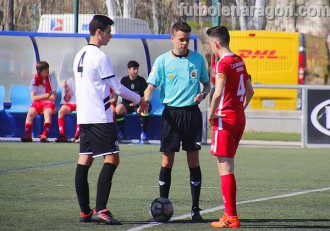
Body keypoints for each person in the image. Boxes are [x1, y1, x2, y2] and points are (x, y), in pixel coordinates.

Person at [73, 15, 147, 225]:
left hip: (85, 116)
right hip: (99, 116)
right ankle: (101, 210)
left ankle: (85, 212)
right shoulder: (99, 56)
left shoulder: (79, 54)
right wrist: (139, 99)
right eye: (108, 31)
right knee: (112, 158)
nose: (110, 35)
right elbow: (118, 87)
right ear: (99, 32)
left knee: (85, 159)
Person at [143, 21, 210, 222]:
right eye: (181, 39)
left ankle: (195, 209)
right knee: (167, 161)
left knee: (193, 161)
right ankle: (163, 203)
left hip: (191, 114)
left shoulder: (198, 60)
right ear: (172, 39)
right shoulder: (162, 61)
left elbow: (206, 84)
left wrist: (203, 95)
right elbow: (150, 86)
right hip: (170, 115)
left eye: (187, 39)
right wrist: (145, 99)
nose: (184, 43)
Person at [206, 25, 254, 228]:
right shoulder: (239, 60)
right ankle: (229, 214)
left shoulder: (223, 65)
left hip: (225, 120)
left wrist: (210, 114)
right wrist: (238, 109)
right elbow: (250, 92)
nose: (210, 48)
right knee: (228, 166)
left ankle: (231, 217)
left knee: (225, 168)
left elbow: (217, 94)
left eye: (210, 44)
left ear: (216, 43)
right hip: (238, 118)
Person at [21, 61, 58, 142]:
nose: (47, 72)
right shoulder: (34, 80)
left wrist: (48, 97)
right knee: (30, 114)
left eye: (47, 70)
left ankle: (44, 135)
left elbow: (53, 97)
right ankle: (27, 135)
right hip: (37, 103)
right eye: (45, 70)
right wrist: (45, 96)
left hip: (48, 103)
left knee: (47, 114)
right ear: (40, 71)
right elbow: (33, 98)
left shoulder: (52, 80)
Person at [115, 60, 149, 140]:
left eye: (137, 69)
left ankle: (143, 133)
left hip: (138, 104)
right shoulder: (124, 80)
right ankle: (122, 133)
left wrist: (137, 102)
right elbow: (119, 92)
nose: (136, 71)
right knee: (118, 109)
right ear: (129, 69)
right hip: (127, 104)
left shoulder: (141, 80)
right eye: (134, 69)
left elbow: (145, 94)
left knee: (145, 109)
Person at [55, 77, 80, 143]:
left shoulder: (84, 80)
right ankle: (62, 135)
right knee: (61, 111)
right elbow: (66, 99)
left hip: (81, 103)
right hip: (71, 103)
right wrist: (66, 90)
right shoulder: (69, 82)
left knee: (80, 112)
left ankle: (77, 135)